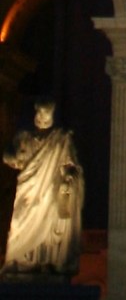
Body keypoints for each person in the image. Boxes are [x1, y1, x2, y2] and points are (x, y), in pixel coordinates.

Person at [2, 102, 84, 279]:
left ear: (52, 117)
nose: (42, 118)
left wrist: (69, 176)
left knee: (48, 223)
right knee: (19, 223)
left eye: (46, 114)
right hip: (28, 189)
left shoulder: (61, 140)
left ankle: (46, 262)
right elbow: (12, 156)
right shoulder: (23, 137)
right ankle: (19, 260)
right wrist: (10, 157)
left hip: (49, 190)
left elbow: (71, 164)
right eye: (39, 114)